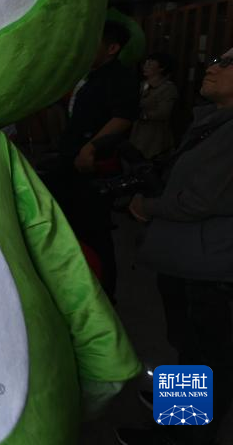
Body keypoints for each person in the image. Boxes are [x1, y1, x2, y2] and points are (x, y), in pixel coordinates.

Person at [116, 49, 233, 445]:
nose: (213, 67)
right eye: (216, 60)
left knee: (203, 354)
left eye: (228, 63)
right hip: (191, 260)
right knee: (190, 349)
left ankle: (183, 435)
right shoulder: (214, 120)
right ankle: (175, 422)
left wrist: (146, 205)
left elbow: (198, 201)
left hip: (208, 266)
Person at [44, 20, 139, 300]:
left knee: (94, 232)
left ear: (112, 48)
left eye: (92, 42)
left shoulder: (119, 77)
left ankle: (103, 294)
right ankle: (74, 286)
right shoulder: (90, 75)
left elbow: (123, 117)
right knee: (70, 226)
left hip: (92, 166)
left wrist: (91, 147)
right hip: (70, 160)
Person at [128, 52, 178, 160]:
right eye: (145, 63)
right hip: (136, 133)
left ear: (162, 68)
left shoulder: (167, 88)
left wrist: (142, 114)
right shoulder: (142, 85)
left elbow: (164, 112)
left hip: (154, 136)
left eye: (150, 64)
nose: (145, 66)